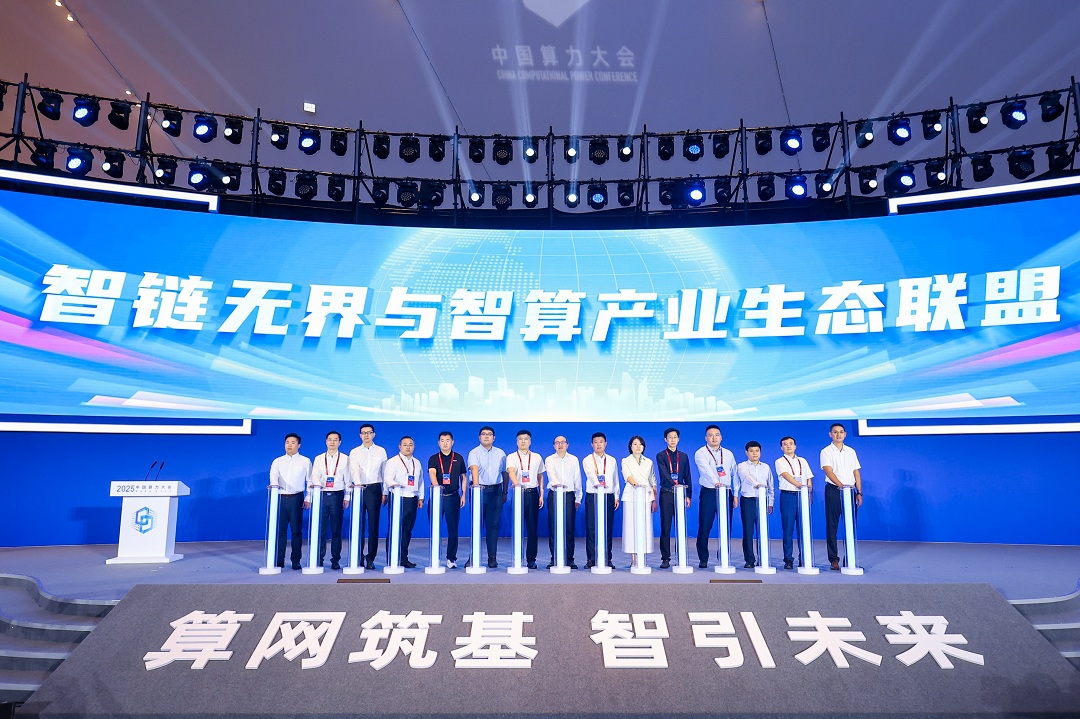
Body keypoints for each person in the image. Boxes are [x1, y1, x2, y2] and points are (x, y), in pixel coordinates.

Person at [820, 423, 863, 571]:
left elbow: (856, 473)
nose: (838, 435)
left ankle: (849, 559)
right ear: (830, 434)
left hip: (850, 491)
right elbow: (828, 471)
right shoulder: (826, 451)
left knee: (850, 525)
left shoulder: (851, 451)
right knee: (832, 525)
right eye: (835, 432)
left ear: (845, 434)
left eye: (841, 432)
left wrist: (859, 492)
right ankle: (834, 559)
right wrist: (841, 485)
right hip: (833, 490)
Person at [693, 424, 737, 569]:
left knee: (726, 526)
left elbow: (734, 474)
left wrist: (735, 494)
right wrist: (716, 482)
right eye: (710, 435)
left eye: (717, 435)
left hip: (726, 492)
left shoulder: (728, 454)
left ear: (721, 437)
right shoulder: (700, 453)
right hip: (710, 491)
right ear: (706, 438)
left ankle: (723, 556)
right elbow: (705, 471)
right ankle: (703, 558)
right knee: (705, 525)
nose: (714, 438)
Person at [309, 430, 352, 570]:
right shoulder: (319, 458)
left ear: (340, 442)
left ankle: (335, 560)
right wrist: (317, 485)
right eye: (330, 439)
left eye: (335, 440)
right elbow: (314, 475)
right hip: (322, 494)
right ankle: (319, 559)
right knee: (320, 530)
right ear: (326, 441)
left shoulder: (345, 459)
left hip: (337, 495)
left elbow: (348, 479)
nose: (332, 442)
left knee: (336, 530)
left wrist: (347, 496)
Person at [268, 433, 311, 570]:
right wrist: (275, 486)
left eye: (293, 442)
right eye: (287, 442)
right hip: (280, 498)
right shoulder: (277, 461)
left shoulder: (305, 461)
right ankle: (279, 560)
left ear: (299, 445)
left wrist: (308, 497)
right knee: (281, 531)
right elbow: (273, 476)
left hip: (297, 498)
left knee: (296, 531)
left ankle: (296, 561)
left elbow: (310, 481)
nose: (289, 445)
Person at [348, 423, 387, 571]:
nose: (366, 435)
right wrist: (358, 486)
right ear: (360, 435)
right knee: (358, 525)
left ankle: (371, 558)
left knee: (373, 526)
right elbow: (354, 470)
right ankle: (358, 557)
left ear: (373, 434)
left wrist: (385, 492)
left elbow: (384, 472)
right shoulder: (354, 452)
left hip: (374, 489)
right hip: (359, 489)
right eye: (363, 433)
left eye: (369, 432)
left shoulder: (381, 451)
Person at [505, 429, 546, 569]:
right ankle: (517, 557)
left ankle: (531, 559)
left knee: (532, 528)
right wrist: (517, 485)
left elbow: (540, 476)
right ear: (517, 442)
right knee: (517, 526)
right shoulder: (511, 456)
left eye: (526, 439)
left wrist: (541, 493)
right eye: (520, 439)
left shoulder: (537, 457)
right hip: (518, 493)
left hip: (533, 493)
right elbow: (511, 472)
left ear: (530, 441)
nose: (523, 441)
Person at [468, 426, 507, 568]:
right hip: (479, 490)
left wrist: (505, 492)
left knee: (493, 526)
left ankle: (492, 558)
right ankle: (473, 557)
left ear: (494, 438)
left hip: (496, 491)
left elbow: (505, 473)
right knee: (476, 525)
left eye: (489, 434)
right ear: (479, 437)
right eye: (483, 434)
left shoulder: (501, 453)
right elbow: (474, 469)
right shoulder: (474, 452)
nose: (486, 436)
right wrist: (477, 488)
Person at [427, 431, 467, 569]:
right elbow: (432, 473)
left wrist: (463, 495)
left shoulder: (459, 458)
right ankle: (435, 557)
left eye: (448, 440)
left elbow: (463, 477)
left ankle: (451, 558)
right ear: (438, 443)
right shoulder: (433, 458)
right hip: (437, 497)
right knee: (435, 528)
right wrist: (437, 487)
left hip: (453, 497)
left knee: (453, 529)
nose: (445, 443)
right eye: (442, 441)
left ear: (452, 442)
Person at [383, 436, 425, 568]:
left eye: (410, 445)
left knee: (407, 530)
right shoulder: (393, 461)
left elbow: (420, 481)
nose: (408, 447)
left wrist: (421, 497)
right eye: (405, 445)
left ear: (414, 447)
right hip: (398, 498)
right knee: (395, 528)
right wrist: (394, 486)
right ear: (399, 446)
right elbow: (387, 478)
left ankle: (403, 558)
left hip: (412, 498)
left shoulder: (417, 462)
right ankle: (391, 558)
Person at [656, 427, 692, 569]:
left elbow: (688, 475)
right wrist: (675, 484)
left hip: (681, 494)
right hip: (667, 493)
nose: (672, 440)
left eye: (675, 437)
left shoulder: (683, 456)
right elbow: (664, 473)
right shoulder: (661, 455)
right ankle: (665, 558)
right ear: (665, 439)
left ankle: (681, 556)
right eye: (670, 437)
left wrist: (688, 495)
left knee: (680, 527)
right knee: (666, 527)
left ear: (678, 439)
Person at [775, 436, 814, 570]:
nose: (788, 446)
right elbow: (786, 475)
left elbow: (809, 478)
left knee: (803, 529)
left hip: (802, 495)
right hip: (788, 496)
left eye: (791, 444)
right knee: (788, 529)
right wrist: (799, 485)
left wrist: (808, 492)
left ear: (795, 446)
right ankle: (788, 559)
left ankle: (804, 558)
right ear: (782, 448)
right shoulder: (780, 461)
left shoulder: (802, 461)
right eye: (785, 444)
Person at [582, 432, 620, 569]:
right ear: (592, 444)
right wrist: (599, 485)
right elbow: (591, 475)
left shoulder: (612, 460)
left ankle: (607, 558)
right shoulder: (587, 460)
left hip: (608, 495)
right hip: (593, 495)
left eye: (601, 442)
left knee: (607, 528)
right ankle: (591, 559)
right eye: (596, 442)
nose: (598, 444)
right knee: (591, 528)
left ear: (605, 444)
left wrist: (616, 496)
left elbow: (615, 479)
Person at [735, 440, 774, 569]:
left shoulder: (766, 467)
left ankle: (763, 558)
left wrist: (770, 502)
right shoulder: (742, 466)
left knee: (762, 531)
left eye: (757, 451)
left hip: (763, 500)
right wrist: (757, 484)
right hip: (748, 500)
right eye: (751, 451)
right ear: (746, 452)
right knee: (748, 531)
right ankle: (749, 560)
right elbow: (746, 477)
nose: (754, 453)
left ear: (760, 452)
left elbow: (771, 485)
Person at [544, 435, 582, 569]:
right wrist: (558, 485)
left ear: (567, 445)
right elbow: (551, 476)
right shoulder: (549, 459)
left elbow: (577, 479)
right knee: (554, 527)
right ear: (554, 445)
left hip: (569, 495)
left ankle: (569, 559)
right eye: (557, 443)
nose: (560, 445)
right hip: (554, 494)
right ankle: (554, 558)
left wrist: (578, 497)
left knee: (569, 528)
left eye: (563, 442)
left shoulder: (574, 459)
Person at [621, 435, 657, 566]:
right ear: (630, 446)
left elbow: (653, 480)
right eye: (635, 444)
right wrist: (637, 485)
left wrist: (654, 498)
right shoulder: (626, 460)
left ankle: (642, 557)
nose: (638, 447)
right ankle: (633, 559)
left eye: (640, 444)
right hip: (632, 495)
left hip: (646, 496)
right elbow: (627, 475)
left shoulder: (649, 462)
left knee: (644, 526)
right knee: (631, 527)